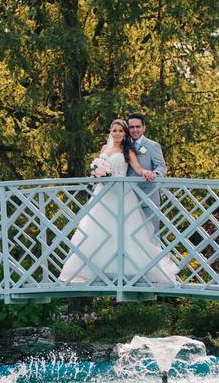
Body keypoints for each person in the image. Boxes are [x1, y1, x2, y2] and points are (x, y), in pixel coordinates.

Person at [58, 119, 178, 285]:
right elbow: (100, 168)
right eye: (115, 130)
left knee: (124, 230)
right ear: (110, 131)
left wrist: (146, 172)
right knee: (98, 229)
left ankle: (129, 270)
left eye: (121, 131)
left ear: (125, 133)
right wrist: (97, 172)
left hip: (121, 194)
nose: (117, 134)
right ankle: (96, 270)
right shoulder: (104, 148)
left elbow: (137, 168)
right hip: (102, 194)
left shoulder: (127, 150)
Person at [126, 114, 167, 233]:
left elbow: (161, 166)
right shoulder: (124, 146)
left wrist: (154, 174)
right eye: (131, 127)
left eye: (138, 126)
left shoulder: (152, 145)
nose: (135, 130)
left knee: (151, 234)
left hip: (149, 196)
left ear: (144, 128)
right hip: (128, 197)